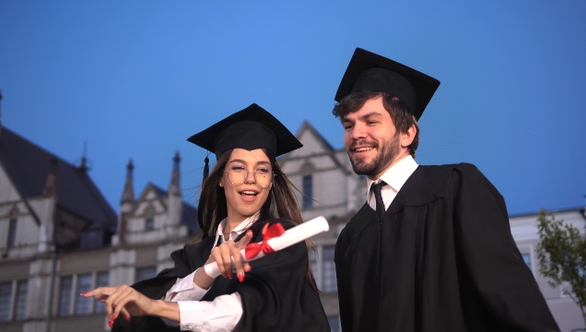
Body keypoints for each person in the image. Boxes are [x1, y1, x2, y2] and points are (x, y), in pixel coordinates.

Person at [332, 47, 560, 332]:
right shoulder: (351, 238)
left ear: (407, 134)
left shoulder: (456, 189)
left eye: (371, 121)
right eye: (348, 125)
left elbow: (511, 299)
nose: (356, 135)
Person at [83, 103, 330, 331]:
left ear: (271, 181)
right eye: (238, 167)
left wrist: (155, 306)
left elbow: (239, 313)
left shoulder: (280, 238)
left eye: (263, 170)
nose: (251, 178)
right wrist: (207, 271)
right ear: (221, 177)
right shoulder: (195, 255)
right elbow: (158, 318)